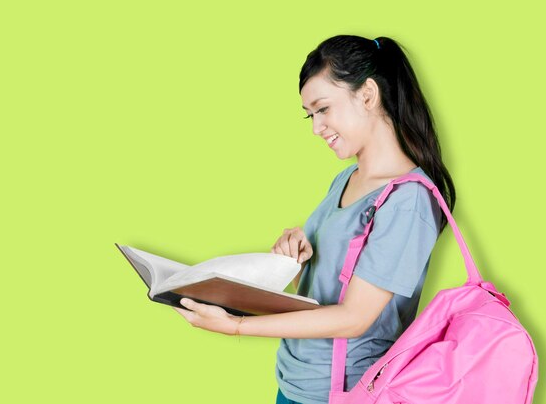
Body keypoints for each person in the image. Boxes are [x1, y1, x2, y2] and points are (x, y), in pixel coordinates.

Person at [172, 35, 456, 404]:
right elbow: (319, 291)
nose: (315, 127)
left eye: (323, 109)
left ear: (368, 95)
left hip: (343, 393)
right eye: (310, 114)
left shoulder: (409, 201)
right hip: (296, 382)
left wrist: (237, 326)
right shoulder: (346, 179)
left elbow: (355, 317)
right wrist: (294, 257)